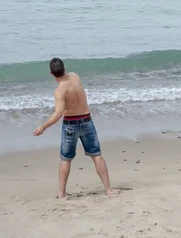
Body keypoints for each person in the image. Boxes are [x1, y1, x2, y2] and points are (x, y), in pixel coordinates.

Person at [33, 57, 118, 198]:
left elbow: (59, 113)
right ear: (64, 69)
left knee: (66, 159)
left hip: (70, 126)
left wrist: (44, 126)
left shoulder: (59, 91)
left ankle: (62, 193)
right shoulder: (74, 76)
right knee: (96, 155)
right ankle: (108, 189)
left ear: (51, 73)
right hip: (87, 121)